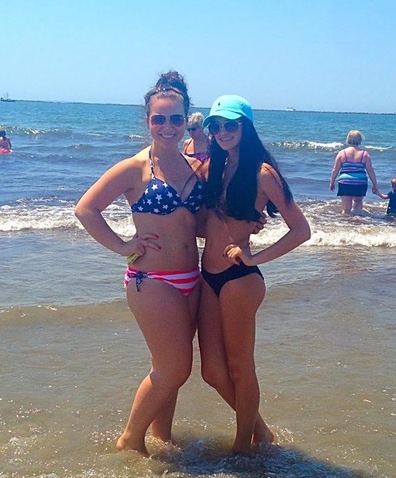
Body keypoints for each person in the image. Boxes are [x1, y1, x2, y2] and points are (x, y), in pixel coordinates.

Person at [75, 71, 205, 456]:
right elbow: (86, 209)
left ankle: (162, 438)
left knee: (167, 366)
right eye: (159, 118)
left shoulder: (194, 166)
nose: (168, 126)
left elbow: (196, 224)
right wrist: (123, 245)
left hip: (192, 277)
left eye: (176, 118)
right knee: (175, 367)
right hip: (152, 279)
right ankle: (131, 439)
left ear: (186, 119)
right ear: (147, 120)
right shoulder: (134, 168)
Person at [197, 95, 311, 454]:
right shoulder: (213, 167)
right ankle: (260, 431)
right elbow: (203, 224)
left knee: (240, 367)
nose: (223, 132)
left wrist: (254, 257)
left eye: (231, 125)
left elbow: (301, 230)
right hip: (207, 276)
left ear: (245, 127)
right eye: (216, 126)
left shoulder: (262, 173)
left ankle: (242, 447)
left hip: (239, 280)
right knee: (212, 372)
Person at [329, 130, 379, 216]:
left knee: (346, 209)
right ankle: (357, 221)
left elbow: (335, 169)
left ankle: (345, 222)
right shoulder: (365, 154)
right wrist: (375, 185)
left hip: (345, 182)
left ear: (348, 139)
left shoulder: (342, 153)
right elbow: (370, 171)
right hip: (360, 182)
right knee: (358, 204)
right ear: (360, 140)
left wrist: (332, 182)